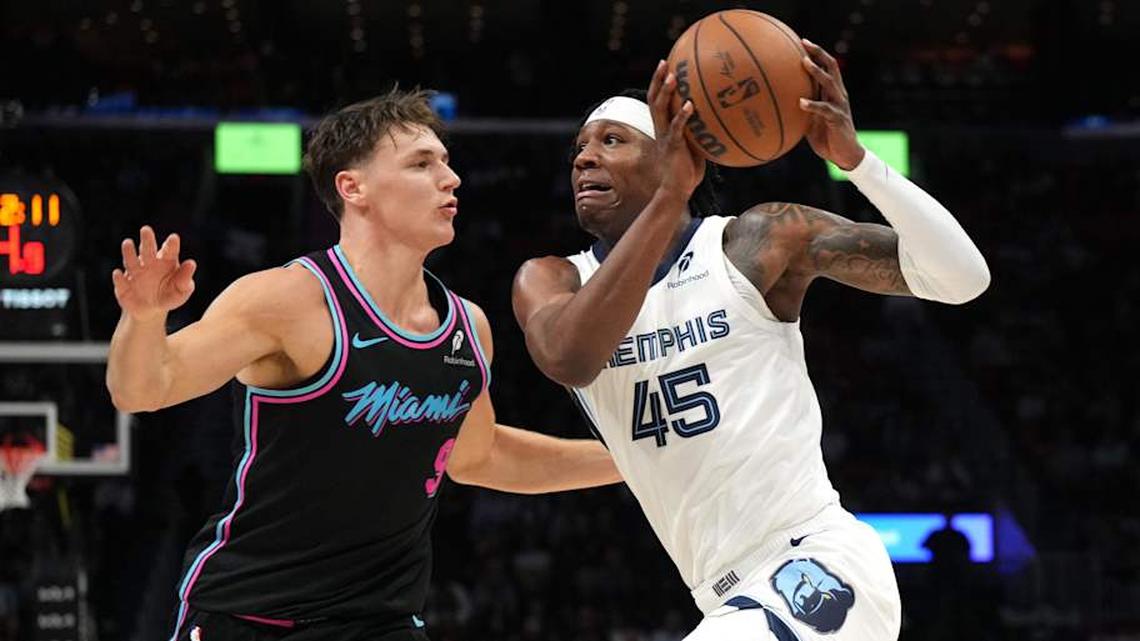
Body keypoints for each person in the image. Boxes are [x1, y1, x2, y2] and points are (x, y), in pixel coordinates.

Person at [511, 41, 990, 641]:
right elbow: (571, 359)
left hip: (814, 564)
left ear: (672, 156)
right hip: (722, 596)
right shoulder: (552, 279)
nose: (584, 159)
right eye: (579, 148)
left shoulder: (756, 243)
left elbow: (962, 279)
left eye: (611, 141)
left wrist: (858, 161)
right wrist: (667, 200)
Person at [106, 88, 621, 641]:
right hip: (252, 616)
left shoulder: (468, 327)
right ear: (353, 188)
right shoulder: (285, 301)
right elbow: (144, 390)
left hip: (383, 623)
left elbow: (480, 453)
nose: (451, 179)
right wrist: (143, 319)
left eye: (446, 162)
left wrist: (635, 460)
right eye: (422, 164)